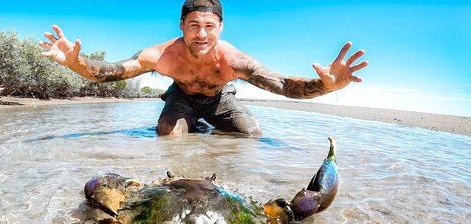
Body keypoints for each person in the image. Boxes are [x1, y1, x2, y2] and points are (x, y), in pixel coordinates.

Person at [39, 0, 368, 136]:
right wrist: (75, 63)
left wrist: (324, 86)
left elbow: (282, 85)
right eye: (194, 24)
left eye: (209, 25)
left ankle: (205, 127)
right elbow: (108, 73)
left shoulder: (233, 60)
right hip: (180, 98)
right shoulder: (162, 55)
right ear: (182, 25)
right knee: (168, 136)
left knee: (251, 135)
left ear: (220, 27)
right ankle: (189, 129)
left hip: (221, 100)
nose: (201, 34)